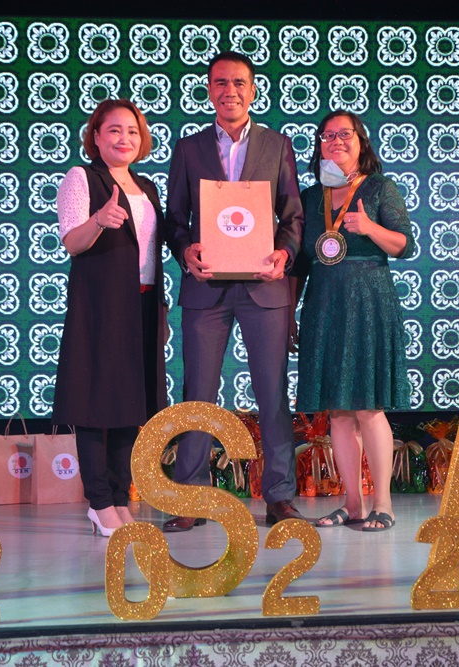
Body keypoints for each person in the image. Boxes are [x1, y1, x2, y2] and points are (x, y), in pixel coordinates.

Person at [164, 51, 305, 530]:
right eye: (221, 83)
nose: (230, 91)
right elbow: (174, 219)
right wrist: (186, 250)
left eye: (239, 83)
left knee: (273, 392)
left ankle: (280, 496)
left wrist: (284, 253)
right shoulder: (189, 148)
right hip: (206, 289)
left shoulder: (277, 145)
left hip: (265, 288)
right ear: (209, 90)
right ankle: (191, 498)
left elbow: (293, 215)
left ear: (253, 90)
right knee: (198, 393)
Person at [294, 111, 415, 532]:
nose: (336, 141)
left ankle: (383, 504)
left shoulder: (380, 187)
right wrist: (292, 313)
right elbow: (302, 262)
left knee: (368, 407)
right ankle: (352, 504)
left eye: (344, 134)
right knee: (339, 413)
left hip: (368, 302)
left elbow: (403, 245)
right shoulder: (311, 197)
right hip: (323, 305)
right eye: (327, 136)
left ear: (361, 142)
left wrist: (368, 226)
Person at [52, 99, 167, 537]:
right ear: (96, 137)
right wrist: (99, 219)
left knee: (130, 403)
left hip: (143, 302)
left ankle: (120, 496)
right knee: (95, 402)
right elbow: (72, 242)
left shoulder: (147, 187)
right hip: (100, 304)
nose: (124, 138)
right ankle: (99, 501)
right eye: (114, 130)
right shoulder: (82, 178)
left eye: (133, 131)